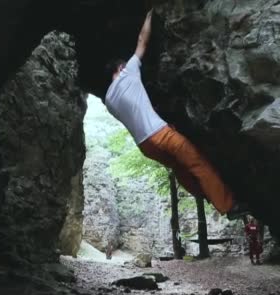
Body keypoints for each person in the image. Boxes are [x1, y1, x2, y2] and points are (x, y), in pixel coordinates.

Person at [104, 9, 249, 220]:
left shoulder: (109, 101)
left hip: (145, 146)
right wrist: (148, 15)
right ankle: (228, 205)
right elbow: (142, 41)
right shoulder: (129, 71)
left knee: (181, 168)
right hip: (161, 134)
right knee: (196, 162)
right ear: (121, 67)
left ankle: (206, 194)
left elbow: (137, 111)